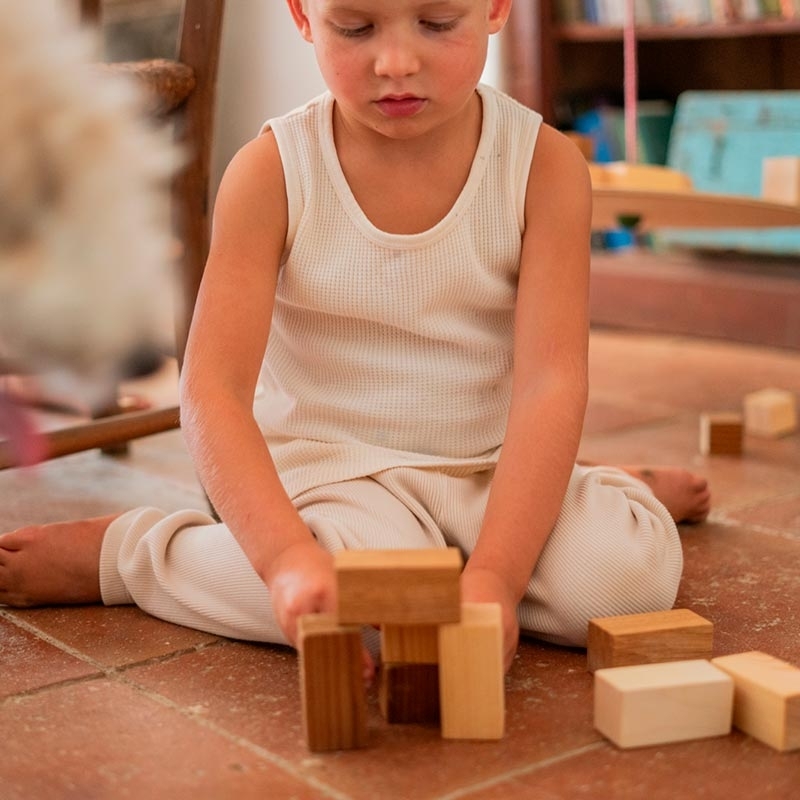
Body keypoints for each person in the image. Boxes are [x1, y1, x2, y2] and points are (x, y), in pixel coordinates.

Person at [0, 0, 710, 675]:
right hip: (333, 480)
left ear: (495, 6)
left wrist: (497, 576)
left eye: (435, 22)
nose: (396, 61)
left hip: (489, 468)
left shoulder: (545, 168)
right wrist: (284, 562)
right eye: (355, 26)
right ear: (305, 16)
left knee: (624, 583)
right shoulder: (272, 172)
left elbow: (550, 383)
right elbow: (212, 390)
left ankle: (608, 491)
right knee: (355, 610)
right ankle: (134, 554)